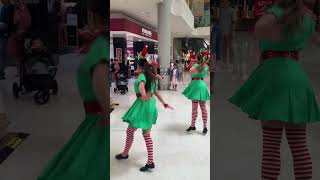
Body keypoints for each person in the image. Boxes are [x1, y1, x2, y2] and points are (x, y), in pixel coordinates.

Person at [229, 1, 320, 179]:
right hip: (297, 77)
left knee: (271, 146)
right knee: (299, 146)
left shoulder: (276, 12)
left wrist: (279, 32)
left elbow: (259, 29)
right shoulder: (305, 17)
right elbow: (317, 40)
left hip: (273, 76)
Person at [37, 0, 109, 179]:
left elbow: (100, 79)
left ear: (92, 16)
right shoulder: (103, 44)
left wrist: (107, 112)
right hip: (98, 121)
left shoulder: (101, 45)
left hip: (99, 122)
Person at [115, 47, 173, 172]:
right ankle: (150, 161)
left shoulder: (142, 76)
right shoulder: (150, 76)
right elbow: (155, 92)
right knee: (146, 134)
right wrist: (164, 103)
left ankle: (125, 154)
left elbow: (142, 90)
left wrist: (144, 96)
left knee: (130, 131)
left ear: (139, 66)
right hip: (151, 106)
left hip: (143, 106)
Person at [182, 51, 210, 134]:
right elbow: (206, 71)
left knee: (194, 108)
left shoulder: (194, 67)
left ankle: (193, 125)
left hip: (195, 86)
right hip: (202, 85)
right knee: (203, 108)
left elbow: (190, 71)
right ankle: (205, 126)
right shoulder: (206, 66)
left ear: (196, 59)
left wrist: (194, 65)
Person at [219, 0, 235, 70]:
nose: (224, 3)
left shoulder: (232, 10)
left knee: (230, 48)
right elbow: (219, 21)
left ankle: (231, 63)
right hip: (222, 32)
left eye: (226, 2)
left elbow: (234, 22)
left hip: (229, 32)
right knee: (223, 48)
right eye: (223, 2)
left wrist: (232, 31)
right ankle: (224, 62)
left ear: (229, 2)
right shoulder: (221, 10)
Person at [0, 0, 14, 79]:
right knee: (2, 54)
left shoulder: (10, 8)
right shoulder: (3, 8)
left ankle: (1, 73)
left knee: (2, 54)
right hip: (2, 34)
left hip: (5, 34)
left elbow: (9, 23)